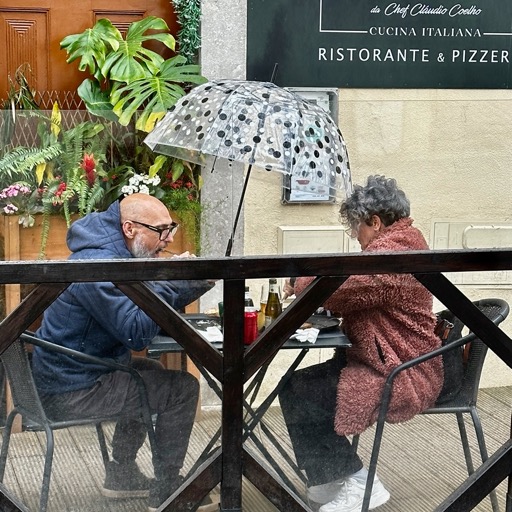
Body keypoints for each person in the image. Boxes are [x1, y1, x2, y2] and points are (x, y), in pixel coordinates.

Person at [32, 193, 217, 512]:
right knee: (182, 389)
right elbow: (136, 332)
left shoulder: (111, 254)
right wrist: (179, 281)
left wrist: (172, 279)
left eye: (171, 227)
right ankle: (169, 491)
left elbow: (136, 316)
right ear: (129, 228)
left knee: (153, 374)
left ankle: (122, 474)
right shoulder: (98, 265)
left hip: (74, 375)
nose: (169, 238)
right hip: (69, 391)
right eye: (161, 230)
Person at [279, 175, 443, 512]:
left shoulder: (394, 253)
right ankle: (331, 477)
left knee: (305, 393)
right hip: (382, 357)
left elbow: (345, 288)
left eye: (358, 228)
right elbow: (354, 287)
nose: (356, 237)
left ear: (376, 222)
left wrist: (299, 280)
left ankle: (360, 482)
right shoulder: (400, 246)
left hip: (402, 368)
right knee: (296, 385)